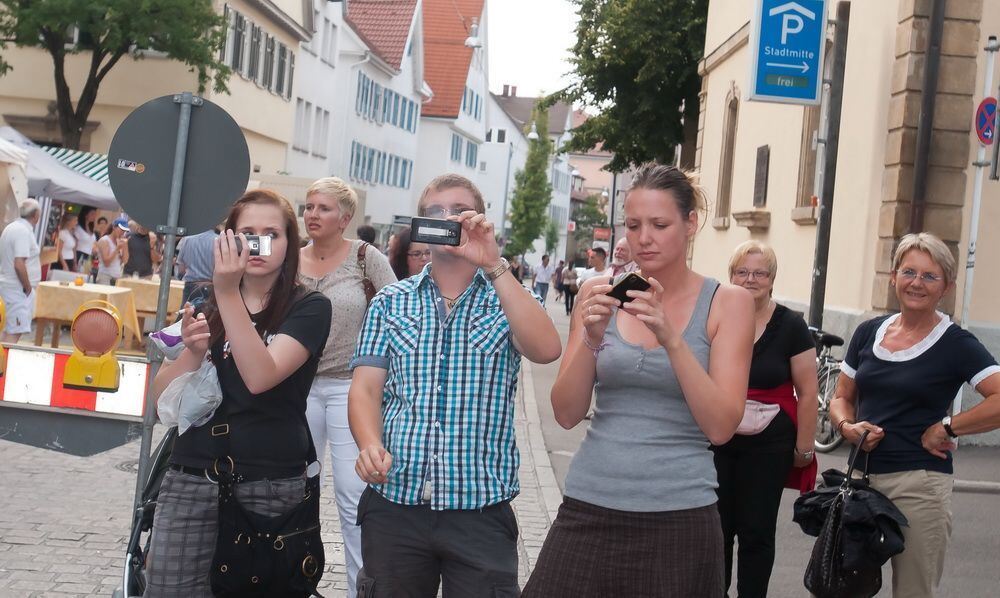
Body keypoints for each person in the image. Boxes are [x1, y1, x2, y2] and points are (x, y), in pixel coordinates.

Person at [522, 163, 754, 597]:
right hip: (590, 504)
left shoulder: (728, 303)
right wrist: (590, 339)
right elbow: (566, 413)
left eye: (659, 224)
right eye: (633, 225)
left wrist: (672, 339)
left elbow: (721, 426)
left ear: (691, 223)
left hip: (680, 513)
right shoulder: (598, 294)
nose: (643, 237)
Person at [349, 174, 561, 597]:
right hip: (396, 504)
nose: (447, 219)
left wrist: (493, 263)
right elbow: (366, 389)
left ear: (479, 219)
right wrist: (370, 443)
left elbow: (547, 349)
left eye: (458, 210)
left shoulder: (508, 298)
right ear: (421, 225)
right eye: (435, 212)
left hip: (479, 509)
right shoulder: (391, 301)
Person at [144, 189, 332, 595]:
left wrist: (228, 292)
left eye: (271, 234)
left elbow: (260, 376)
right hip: (192, 471)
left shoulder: (310, 307)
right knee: (167, 588)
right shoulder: (204, 301)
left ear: (289, 243)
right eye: (247, 233)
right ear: (228, 240)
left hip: (267, 479)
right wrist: (192, 353)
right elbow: (161, 401)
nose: (258, 244)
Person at [829, 232, 1000, 598]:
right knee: (840, 588)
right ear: (894, 277)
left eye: (929, 276)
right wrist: (847, 426)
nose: (916, 283)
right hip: (860, 480)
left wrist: (949, 427)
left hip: (919, 485)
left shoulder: (956, 343)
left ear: (947, 287)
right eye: (909, 272)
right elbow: (842, 396)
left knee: (912, 592)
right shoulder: (868, 332)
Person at [298, 177, 396, 597]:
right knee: (295, 487)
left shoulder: (364, 258)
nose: (312, 215)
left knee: (352, 492)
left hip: (348, 385)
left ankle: (364, 588)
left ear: (345, 217)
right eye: (308, 207)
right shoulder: (290, 258)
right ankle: (288, 578)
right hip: (294, 387)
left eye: (322, 208)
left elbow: (396, 309)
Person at [712, 240, 818, 598]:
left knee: (757, 532)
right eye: (742, 271)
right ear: (731, 277)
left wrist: (804, 448)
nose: (750, 279)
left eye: (759, 272)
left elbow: (807, 391)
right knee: (717, 530)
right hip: (718, 439)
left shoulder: (791, 325)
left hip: (770, 445)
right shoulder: (716, 316)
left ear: (772, 279)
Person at [0, 199, 42, 343]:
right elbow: (19, 264)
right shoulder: (22, 231)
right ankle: (3, 365)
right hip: (17, 289)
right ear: (36, 215)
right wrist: (28, 287)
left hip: (10, 287)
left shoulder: (11, 227)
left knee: (6, 330)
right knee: (13, 333)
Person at [177, 227, 220, 305]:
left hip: (190, 287)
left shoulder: (187, 239)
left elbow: (181, 270)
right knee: (208, 316)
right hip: (211, 287)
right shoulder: (219, 240)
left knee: (186, 314)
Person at [95, 218, 129, 285]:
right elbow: (106, 263)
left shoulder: (120, 242)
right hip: (105, 277)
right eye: (121, 229)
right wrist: (117, 249)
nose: (123, 232)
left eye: (125, 230)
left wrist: (125, 246)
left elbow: (125, 261)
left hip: (117, 277)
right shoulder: (104, 240)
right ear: (114, 227)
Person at [74, 207, 97, 271]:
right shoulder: (78, 228)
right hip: (80, 254)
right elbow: (75, 246)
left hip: (89, 256)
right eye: (92, 214)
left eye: (95, 214)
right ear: (86, 215)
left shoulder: (91, 229)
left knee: (85, 274)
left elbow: (93, 244)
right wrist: (74, 261)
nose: (94, 216)